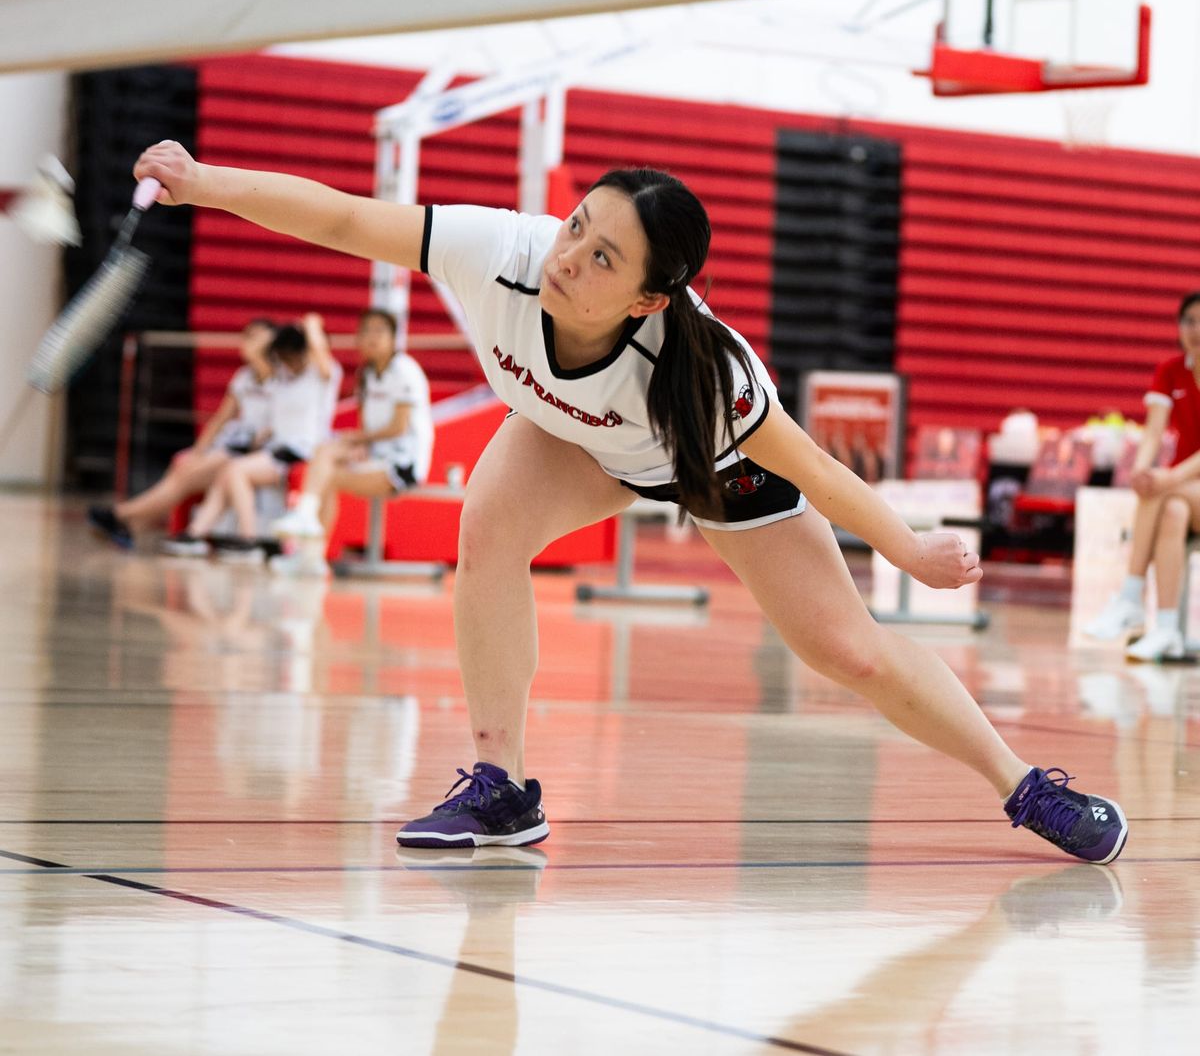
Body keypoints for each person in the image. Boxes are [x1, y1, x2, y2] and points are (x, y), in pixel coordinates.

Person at [131, 139, 1129, 865]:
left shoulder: (707, 375)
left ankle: (1027, 786)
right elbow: (346, 217)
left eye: (605, 257)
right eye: (578, 228)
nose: (569, 256)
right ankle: (502, 787)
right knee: (489, 531)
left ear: (652, 297)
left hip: (707, 467)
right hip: (580, 438)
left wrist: (909, 550)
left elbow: (819, 472)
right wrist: (203, 183)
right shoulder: (505, 253)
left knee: (848, 651)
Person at [163, 315, 342, 563]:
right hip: (276, 449)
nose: (289, 363)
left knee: (236, 470)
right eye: (285, 358)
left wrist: (311, 328)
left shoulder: (323, 375)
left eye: (293, 357)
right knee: (227, 472)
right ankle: (196, 534)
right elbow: (278, 410)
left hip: (303, 451)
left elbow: (320, 353)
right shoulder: (282, 378)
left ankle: (249, 539)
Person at [271, 307, 434, 575]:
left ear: (394, 338)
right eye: (366, 331)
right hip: (375, 455)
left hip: (403, 464)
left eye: (379, 331)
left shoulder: (404, 370)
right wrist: (360, 445)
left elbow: (397, 427)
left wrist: (358, 438)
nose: (372, 337)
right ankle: (308, 538)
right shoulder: (366, 374)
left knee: (329, 476)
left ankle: (309, 545)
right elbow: (367, 425)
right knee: (325, 453)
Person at [87, 317, 275, 548]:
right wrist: (199, 449)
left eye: (254, 337)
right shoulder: (244, 377)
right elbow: (220, 419)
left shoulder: (281, 380)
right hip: (231, 445)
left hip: (254, 451)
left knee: (184, 475)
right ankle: (130, 525)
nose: (246, 342)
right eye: (246, 336)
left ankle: (121, 515)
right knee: (183, 464)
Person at [1085, 291, 1200, 663]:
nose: (1195, 329)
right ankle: (1166, 628)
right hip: (1184, 489)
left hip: (1184, 479)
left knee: (1163, 492)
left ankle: (1131, 596)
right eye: (1189, 321)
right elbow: (1152, 433)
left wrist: (1167, 478)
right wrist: (1142, 470)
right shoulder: (1170, 370)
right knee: (1172, 511)